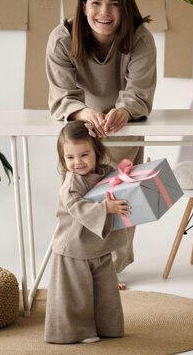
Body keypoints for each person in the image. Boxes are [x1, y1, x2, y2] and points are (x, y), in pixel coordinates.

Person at [46, 0, 157, 288]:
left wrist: (122, 111)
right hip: (80, 124)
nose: (104, 13)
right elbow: (61, 95)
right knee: (78, 194)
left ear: (125, 9)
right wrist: (85, 113)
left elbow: (139, 92)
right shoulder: (62, 38)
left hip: (125, 121)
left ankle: (111, 269)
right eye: (96, 3)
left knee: (123, 195)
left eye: (114, 5)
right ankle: (74, 262)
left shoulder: (140, 38)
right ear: (83, 7)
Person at [44, 121, 130, 344]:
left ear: (96, 153)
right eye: (70, 158)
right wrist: (105, 208)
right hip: (74, 247)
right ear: (63, 159)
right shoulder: (71, 185)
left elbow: (118, 181)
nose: (78, 162)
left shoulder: (104, 173)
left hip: (98, 246)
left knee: (106, 293)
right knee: (76, 295)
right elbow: (77, 207)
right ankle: (77, 332)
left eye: (84, 155)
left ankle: (107, 327)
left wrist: (135, 175)